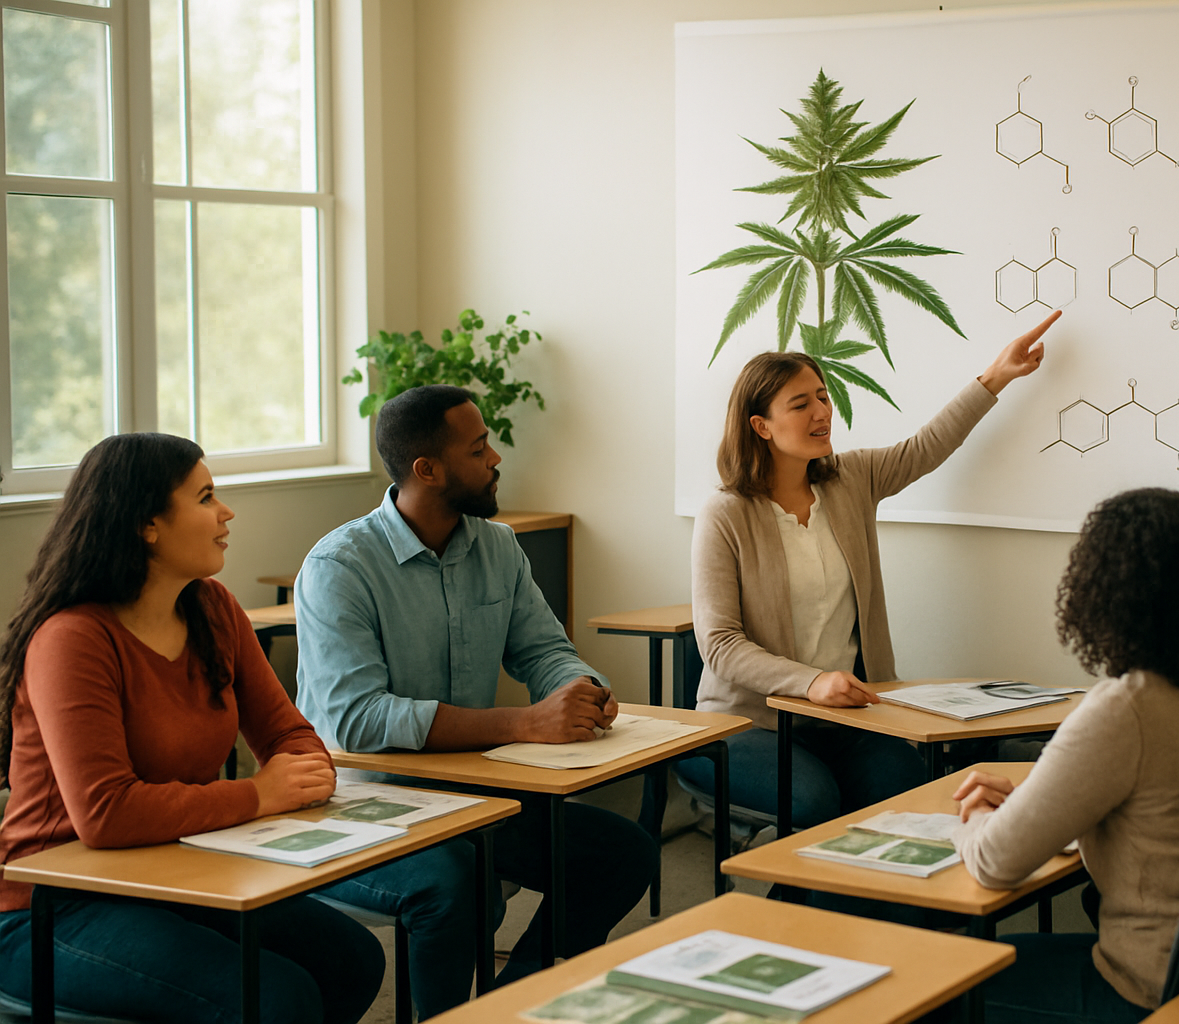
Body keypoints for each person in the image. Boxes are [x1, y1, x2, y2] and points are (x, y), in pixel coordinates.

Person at [296, 385, 657, 1019]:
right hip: (365, 804)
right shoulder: (339, 566)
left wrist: (582, 688)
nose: (496, 458)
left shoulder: (497, 546)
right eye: (478, 448)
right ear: (427, 470)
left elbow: (543, 651)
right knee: (458, 881)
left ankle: (511, 1006)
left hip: (475, 794)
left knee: (621, 853)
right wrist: (525, 722)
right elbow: (356, 719)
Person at [0, 433, 383, 1024]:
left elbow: (291, 737)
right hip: (53, 906)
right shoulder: (71, 638)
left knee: (352, 959)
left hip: (175, 875)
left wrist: (300, 773)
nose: (226, 512)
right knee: (277, 999)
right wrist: (258, 794)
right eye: (205, 497)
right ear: (147, 525)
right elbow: (106, 814)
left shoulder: (214, 607)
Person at [678, 311, 1062, 828]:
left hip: (842, 718)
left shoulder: (851, 478)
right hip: (754, 721)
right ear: (760, 426)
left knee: (909, 788)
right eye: (801, 404)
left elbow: (926, 448)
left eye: (822, 397)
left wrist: (996, 376)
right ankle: (772, 871)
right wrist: (811, 682)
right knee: (814, 802)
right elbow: (721, 645)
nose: (822, 412)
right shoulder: (725, 514)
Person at [951, 488, 1179, 1024]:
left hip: (1146, 985)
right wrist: (1027, 804)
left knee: (944, 982)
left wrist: (976, 819)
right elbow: (1164, 814)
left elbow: (994, 863)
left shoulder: (1125, 707)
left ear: (1104, 594)